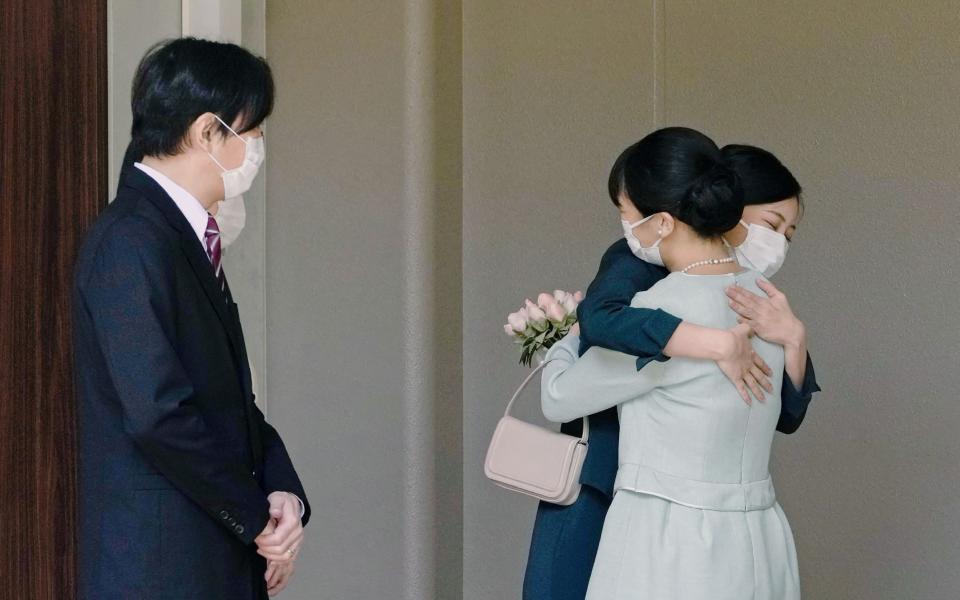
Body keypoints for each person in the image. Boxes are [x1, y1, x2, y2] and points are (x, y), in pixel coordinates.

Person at [523, 139, 819, 599]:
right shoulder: (768, 309)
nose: (625, 226)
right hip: (762, 540)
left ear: (661, 221)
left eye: (626, 211)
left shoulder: (652, 314)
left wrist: (569, 333)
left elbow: (557, 394)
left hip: (668, 542)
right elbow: (780, 408)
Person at [74, 38, 309, 599]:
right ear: (209, 132)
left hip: (203, 560)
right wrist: (255, 520)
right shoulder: (130, 241)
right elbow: (160, 415)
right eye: (251, 133)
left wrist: (283, 495)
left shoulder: (184, 235)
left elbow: (228, 399)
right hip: (161, 568)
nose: (257, 147)